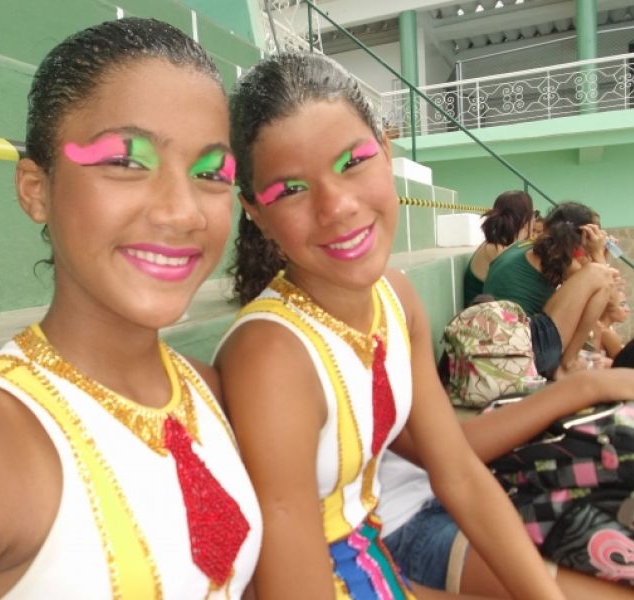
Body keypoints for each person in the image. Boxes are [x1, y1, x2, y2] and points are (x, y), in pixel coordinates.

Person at [0, 19, 262, 598]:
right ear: (36, 189)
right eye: (126, 161)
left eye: (210, 173)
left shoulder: (207, 392)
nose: (183, 212)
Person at [215, 51, 564, 599]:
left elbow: (458, 474)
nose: (336, 207)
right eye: (291, 190)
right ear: (256, 212)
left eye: (352, 161)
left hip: (374, 554)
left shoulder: (394, 297)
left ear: (386, 151)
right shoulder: (272, 356)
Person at [378, 365, 634, 598]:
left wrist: (590, 385)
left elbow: (454, 464)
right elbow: (449, 458)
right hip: (404, 522)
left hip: (469, 491)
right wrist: (589, 385)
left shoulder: (401, 328)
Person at [484, 201, 618, 379]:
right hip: (526, 351)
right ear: (585, 235)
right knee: (600, 273)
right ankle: (568, 364)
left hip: (504, 342)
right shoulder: (560, 259)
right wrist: (599, 254)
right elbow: (608, 294)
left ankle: (567, 362)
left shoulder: (527, 249)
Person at [463, 190, 535, 307]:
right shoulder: (495, 248)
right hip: (482, 315)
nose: (535, 219)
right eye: (534, 214)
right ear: (525, 220)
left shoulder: (503, 245)